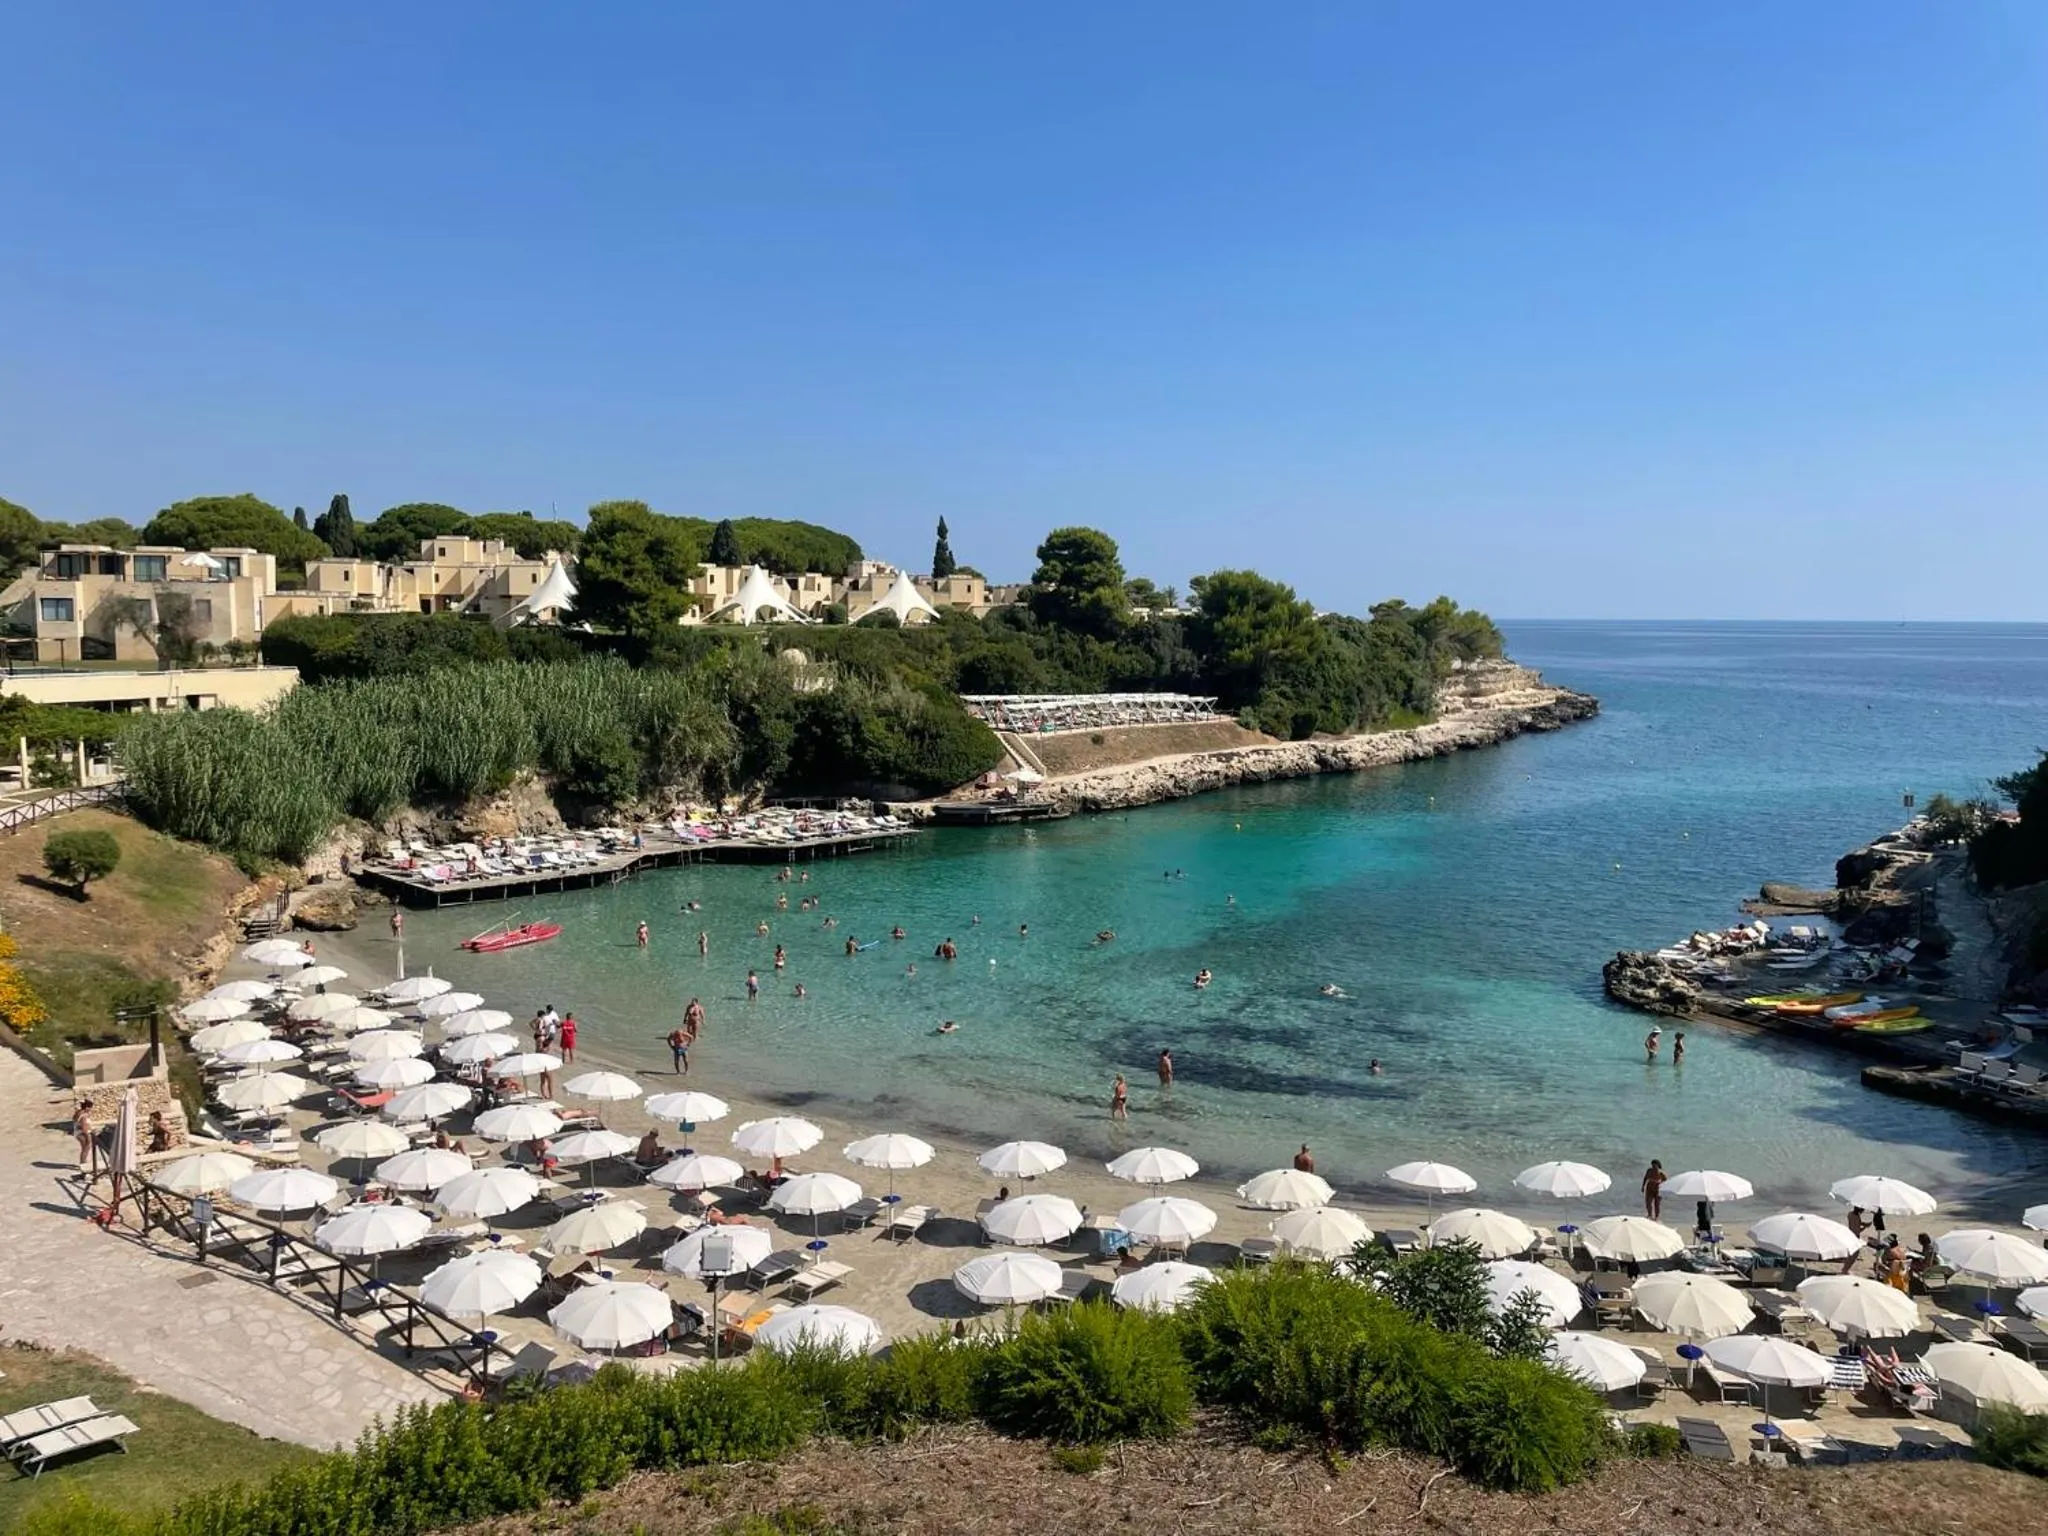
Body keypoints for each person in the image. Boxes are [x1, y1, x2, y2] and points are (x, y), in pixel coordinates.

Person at [73, 1098, 95, 1173]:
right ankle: (83, 1164)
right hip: (82, 1134)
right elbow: (84, 1127)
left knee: (84, 1149)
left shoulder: (78, 1112)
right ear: (87, 1107)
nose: (90, 1110)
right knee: (86, 1148)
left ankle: (83, 1163)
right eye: (90, 1108)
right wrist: (88, 1137)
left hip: (78, 1133)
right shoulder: (84, 1116)